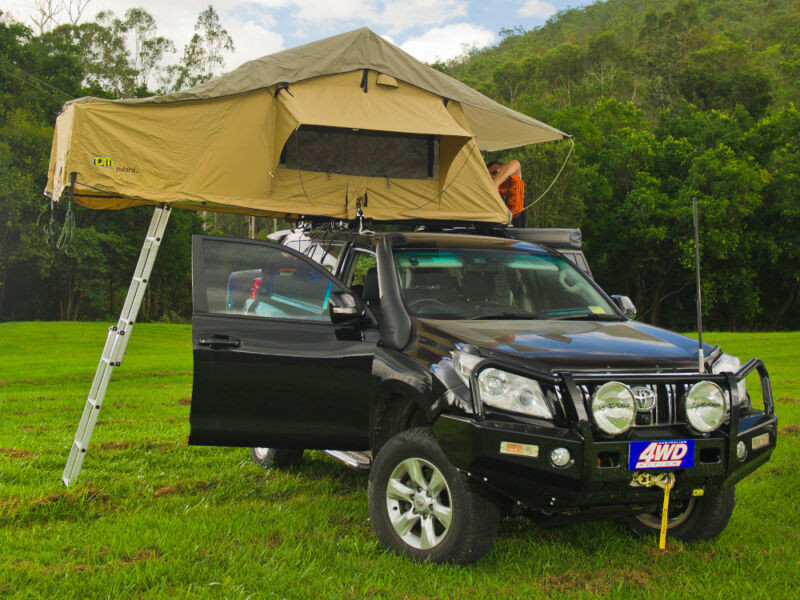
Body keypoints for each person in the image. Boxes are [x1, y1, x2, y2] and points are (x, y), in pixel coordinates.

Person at [487, 159, 527, 228]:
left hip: (511, 237)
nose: (491, 177)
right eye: (487, 175)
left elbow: (516, 164)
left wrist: (496, 183)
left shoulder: (512, 185)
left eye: (495, 173)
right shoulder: (484, 196)